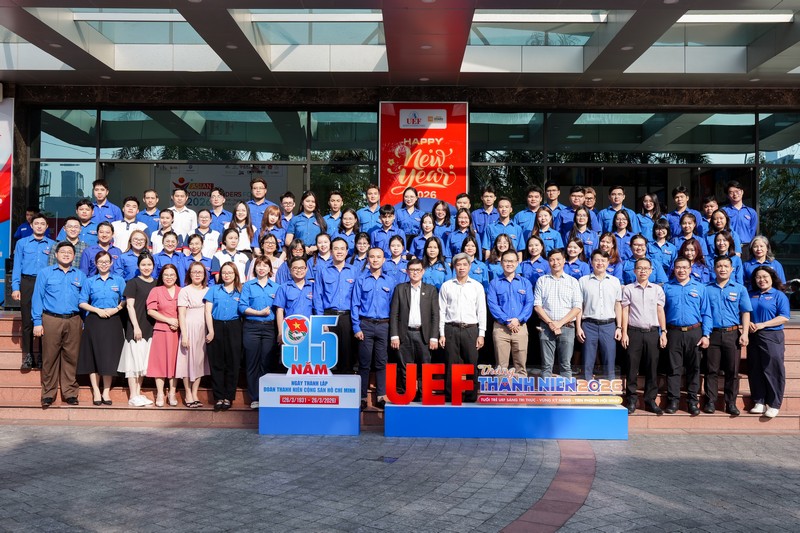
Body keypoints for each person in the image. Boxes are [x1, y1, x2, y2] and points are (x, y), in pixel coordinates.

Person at [31, 242, 86, 407]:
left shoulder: (80, 275)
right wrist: (37, 322)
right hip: (51, 319)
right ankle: (48, 393)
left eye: (70, 252)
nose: (66, 254)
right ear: (56, 254)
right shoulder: (45, 273)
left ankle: (70, 393)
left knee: (72, 357)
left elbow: (84, 299)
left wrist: (83, 321)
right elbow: (37, 297)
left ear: (74, 256)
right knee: (50, 357)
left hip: (74, 319)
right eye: (63, 251)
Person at [662, 256, 712, 415]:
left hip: (694, 332)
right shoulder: (667, 287)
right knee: (673, 368)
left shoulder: (700, 288)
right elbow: (660, 312)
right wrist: (662, 332)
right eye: (678, 267)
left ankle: (692, 401)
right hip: (673, 332)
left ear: (690, 269)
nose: (681, 270)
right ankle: (673, 401)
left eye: (684, 267)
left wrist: (706, 334)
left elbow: (706, 313)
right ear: (674, 269)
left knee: (694, 368)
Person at [77, 250, 126, 406]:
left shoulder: (119, 280)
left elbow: (125, 299)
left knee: (109, 357)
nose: (104, 264)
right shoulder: (89, 281)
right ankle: (96, 390)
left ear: (111, 263)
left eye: (106, 262)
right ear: (95, 264)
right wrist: (97, 310)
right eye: (100, 262)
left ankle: (106, 390)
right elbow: (82, 302)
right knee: (93, 356)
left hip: (113, 320)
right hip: (94, 320)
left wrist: (116, 309)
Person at [704, 255, 752, 416]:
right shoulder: (706, 288)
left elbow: (745, 312)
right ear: (714, 269)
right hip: (713, 334)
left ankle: (730, 402)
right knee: (711, 370)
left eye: (726, 266)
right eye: (719, 266)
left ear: (732, 269)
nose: (722, 269)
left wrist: (745, 333)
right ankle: (710, 401)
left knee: (732, 371)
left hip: (732, 334)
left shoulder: (740, 289)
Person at [620, 257, 667, 415]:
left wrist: (663, 332)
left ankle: (650, 400)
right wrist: (624, 332)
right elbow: (625, 311)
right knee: (632, 367)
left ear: (651, 271)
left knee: (652, 367)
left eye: (646, 268)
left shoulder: (657, 289)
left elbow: (660, 311)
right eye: (640, 268)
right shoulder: (628, 289)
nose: (643, 271)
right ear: (634, 271)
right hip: (634, 332)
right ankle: (631, 399)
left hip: (652, 332)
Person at [352, 247, 397, 410]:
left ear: (384, 260)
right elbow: (355, 304)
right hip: (365, 325)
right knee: (364, 363)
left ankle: (381, 396)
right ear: (368, 259)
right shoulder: (361, 279)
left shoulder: (390, 281)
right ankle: (362, 397)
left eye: (379, 257)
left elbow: (394, 306)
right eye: (372, 257)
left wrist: (392, 330)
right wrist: (356, 327)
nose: (375, 260)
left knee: (381, 362)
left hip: (384, 325)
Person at [439, 253, 487, 402]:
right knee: (451, 365)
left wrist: (481, 334)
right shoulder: (447, 286)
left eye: (464, 265)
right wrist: (441, 333)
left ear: (470, 266)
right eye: (458, 265)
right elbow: (441, 311)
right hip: (451, 328)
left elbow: (481, 311)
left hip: (471, 329)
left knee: (471, 364)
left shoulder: (477, 286)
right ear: (454, 267)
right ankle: (451, 398)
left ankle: (471, 398)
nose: (461, 268)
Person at [390, 258, 440, 398]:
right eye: (412, 270)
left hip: (424, 334)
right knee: (406, 367)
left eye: (418, 270)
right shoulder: (400, 289)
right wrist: (394, 335)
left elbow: (435, 315)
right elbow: (394, 314)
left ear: (423, 271)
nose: (415, 273)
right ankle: (409, 394)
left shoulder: (431, 290)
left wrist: (434, 337)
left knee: (425, 366)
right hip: (404, 334)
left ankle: (424, 395)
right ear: (407, 272)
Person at [11, 212, 55, 369]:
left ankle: (42, 355)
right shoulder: (22, 243)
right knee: (27, 321)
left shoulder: (53, 244)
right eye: (36, 224)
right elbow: (17, 266)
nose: (39, 226)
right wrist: (15, 287)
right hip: (27, 282)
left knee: (45, 319)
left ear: (47, 226)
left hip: (45, 283)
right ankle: (28, 355)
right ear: (31, 225)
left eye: (42, 224)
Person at [748, 266, 791, 418]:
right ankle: (759, 401)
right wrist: (748, 323)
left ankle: (774, 403)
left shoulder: (779, 295)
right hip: (753, 336)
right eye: (758, 277)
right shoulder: (751, 294)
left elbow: (784, 317)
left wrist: (764, 324)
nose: (762, 280)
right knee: (755, 368)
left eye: (765, 276)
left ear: (772, 277)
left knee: (773, 369)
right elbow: (744, 312)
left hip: (772, 335)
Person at [534, 248, 582, 379]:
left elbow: (577, 307)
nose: (555, 262)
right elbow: (537, 306)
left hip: (567, 327)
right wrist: (551, 323)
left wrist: (559, 323)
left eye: (558, 259)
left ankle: (566, 390)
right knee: (546, 366)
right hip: (546, 327)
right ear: (548, 262)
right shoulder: (542, 280)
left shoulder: (572, 281)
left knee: (566, 365)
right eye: (552, 260)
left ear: (564, 260)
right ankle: (546, 391)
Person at [312, 237, 358, 374]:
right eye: (336, 248)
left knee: (347, 356)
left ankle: (346, 385)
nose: (339, 252)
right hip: (328, 316)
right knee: (328, 356)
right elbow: (318, 296)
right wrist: (320, 320)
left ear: (347, 251)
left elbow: (357, 298)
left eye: (342, 249)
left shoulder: (354, 271)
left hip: (347, 317)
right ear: (331, 251)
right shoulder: (322, 270)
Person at [239, 256, 279, 409]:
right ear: (254, 268)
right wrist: (258, 313)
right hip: (252, 327)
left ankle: (266, 396)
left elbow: (280, 309)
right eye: (259, 265)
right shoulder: (248, 286)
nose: (261, 268)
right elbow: (242, 307)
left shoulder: (276, 287)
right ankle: (255, 397)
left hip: (270, 328)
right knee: (252, 362)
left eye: (265, 265)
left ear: (270, 269)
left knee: (266, 362)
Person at [577, 250, 622, 381]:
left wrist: (619, 327)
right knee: (587, 359)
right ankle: (586, 384)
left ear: (608, 263)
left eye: (603, 260)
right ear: (591, 262)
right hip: (589, 324)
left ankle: (610, 386)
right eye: (597, 260)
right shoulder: (583, 281)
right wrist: (578, 327)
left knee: (609, 358)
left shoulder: (615, 281)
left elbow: (618, 305)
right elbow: (579, 306)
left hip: (609, 325)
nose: (600, 263)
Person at [118, 253, 156, 407]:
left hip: (150, 327)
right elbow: (130, 306)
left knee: (143, 362)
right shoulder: (133, 283)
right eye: (143, 265)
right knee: (133, 362)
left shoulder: (157, 283)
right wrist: (136, 327)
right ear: (138, 266)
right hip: (136, 327)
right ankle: (132, 395)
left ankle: (138, 393)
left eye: (149, 264)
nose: (146, 267)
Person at [487, 251, 533, 376]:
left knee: (521, 366)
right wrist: (507, 321)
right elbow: (493, 305)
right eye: (506, 261)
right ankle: (502, 388)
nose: (509, 264)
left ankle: (521, 388)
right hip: (501, 328)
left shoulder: (525, 283)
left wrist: (518, 320)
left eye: (512, 261)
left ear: (517, 263)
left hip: (520, 327)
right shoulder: (494, 283)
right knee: (501, 367)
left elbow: (529, 304)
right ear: (501, 263)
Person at [204, 262, 242, 411]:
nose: (227, 275)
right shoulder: (214, 289)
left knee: (233, 363)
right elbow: (207, 311)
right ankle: (219, 397)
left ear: (235, 274)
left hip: (234, 326)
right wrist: (211, 330)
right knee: (217, 362)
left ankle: (229, 397)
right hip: (216, 326)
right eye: (224, 272)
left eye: (230, 272)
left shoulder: (241, 290)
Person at [146, 263, 181, 408]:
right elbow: (151, 311)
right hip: (160, 330)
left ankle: (172, 393)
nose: (169, 277)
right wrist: (168, 320)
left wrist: (177, 322)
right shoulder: (156, 290)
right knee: (159, 362)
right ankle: (160, 393)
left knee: (175, 363)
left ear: (176, 276)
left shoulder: (181, 291)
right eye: (166, 275)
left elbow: (185, 311)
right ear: (161, 276)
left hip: (177, 332)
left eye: (172, 274)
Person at [177, 262, 211, 408]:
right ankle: (188, 393)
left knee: (199, 362)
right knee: (187, 360)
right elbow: (181, 314)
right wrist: (184, 335)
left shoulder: (208, 290)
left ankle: (195, 393)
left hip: (203, 328)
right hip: (189, 327)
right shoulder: (184, 291)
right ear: (189, 274)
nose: (197, 275)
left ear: (204, 274)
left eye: (200, 272)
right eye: (194, 272)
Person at [274, 257, 315, 341]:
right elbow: (279, 311)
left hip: (310, 329)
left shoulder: (314, 287)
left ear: (306, 269)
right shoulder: (283, 288)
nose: (299, 270)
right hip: (290, 330)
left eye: (302, 268)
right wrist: (281, 332)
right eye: (295, 268)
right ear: (290, 270)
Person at [723, 180, 758, 251]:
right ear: (727, 196)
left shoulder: (751, 212)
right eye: (731, 192)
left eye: (737, 191)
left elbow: (753, 231)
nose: (735, 194)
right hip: (730, 247)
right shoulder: (724, 211)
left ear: (742, 192)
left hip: (747, 247)